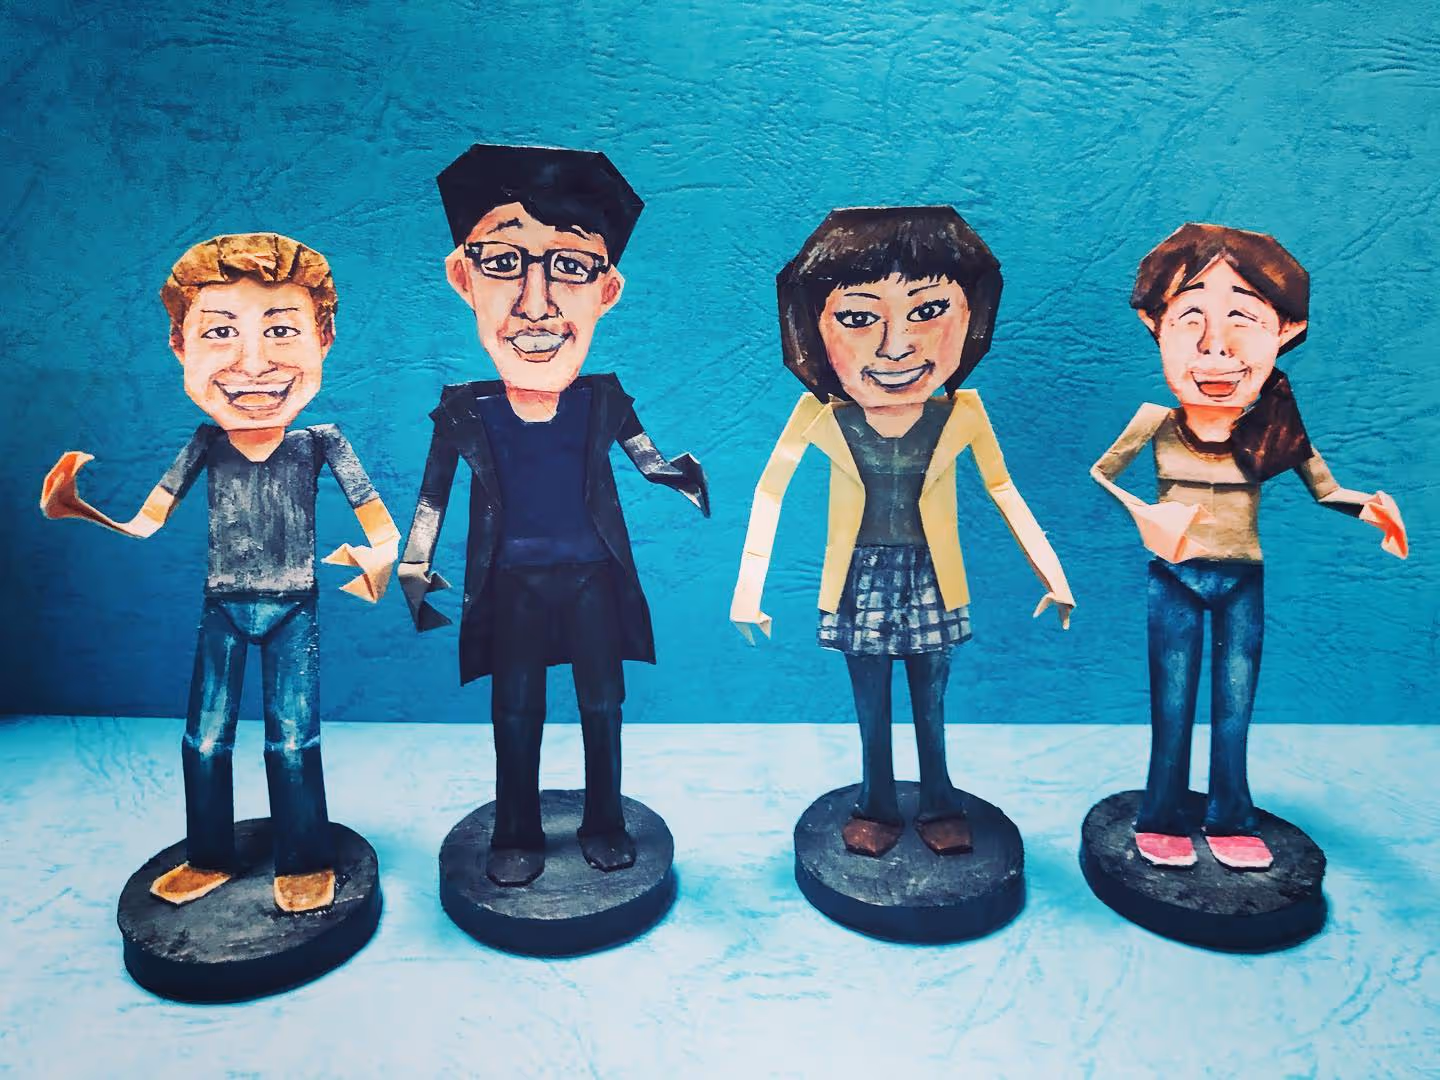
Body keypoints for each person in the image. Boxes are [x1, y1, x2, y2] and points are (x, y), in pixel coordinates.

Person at [40, 232, 398, 912]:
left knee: (292, 743)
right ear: (180, 345)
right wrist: (80, 509)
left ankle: (304, 861)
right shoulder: (206, 443)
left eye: (282, 329)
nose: (253, 363)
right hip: (222, 609)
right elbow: (147, 521)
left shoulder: (321, 443)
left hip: (294, 608)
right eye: (220, 331)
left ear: (324, 339)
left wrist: (378, 561)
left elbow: (381, 527)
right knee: (203, 743)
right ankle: (208, 856)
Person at [400, 144, 709, 888]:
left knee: (604, 705)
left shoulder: (604, 399)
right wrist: (414, 561)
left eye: (570, 265)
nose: (536, 304)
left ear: (607, 291)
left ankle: (606, 820)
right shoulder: (465, 411)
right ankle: (516, 829)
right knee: (515, 710)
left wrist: (681, 476)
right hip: (512, 586)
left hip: (593, 580)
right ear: (462, 277)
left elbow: (646, 456)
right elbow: (433, 496)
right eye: (504, 262)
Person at [731, 206, 1074, 858]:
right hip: (857, 577)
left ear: (973, 317)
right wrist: (749, 590)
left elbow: (1005, 490)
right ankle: (877, 803)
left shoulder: (962, 414)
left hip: (932, 575)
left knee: (931, 698)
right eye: (859, 318)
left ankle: (940, 800)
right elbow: (769, 491)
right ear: (811, 329)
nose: (895, 347)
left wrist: (1052, 575)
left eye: (928, 311)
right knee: (869, 702)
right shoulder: (819, 417)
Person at [1091, 222, 1408, 871]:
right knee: (1172, 707)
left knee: (1234, 709)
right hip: (1173, 578)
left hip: (1242, 583)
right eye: (1190, 320)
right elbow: (1102, 473)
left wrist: (1372, 509)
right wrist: (1144, 513)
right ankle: (1161, 815)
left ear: (1286, 331)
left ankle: (1231, 817)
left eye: (1243, 318)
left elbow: (1326, 489)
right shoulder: (1155, 424)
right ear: (1154, 324)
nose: (1216, 347)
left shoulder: (1274, 429)